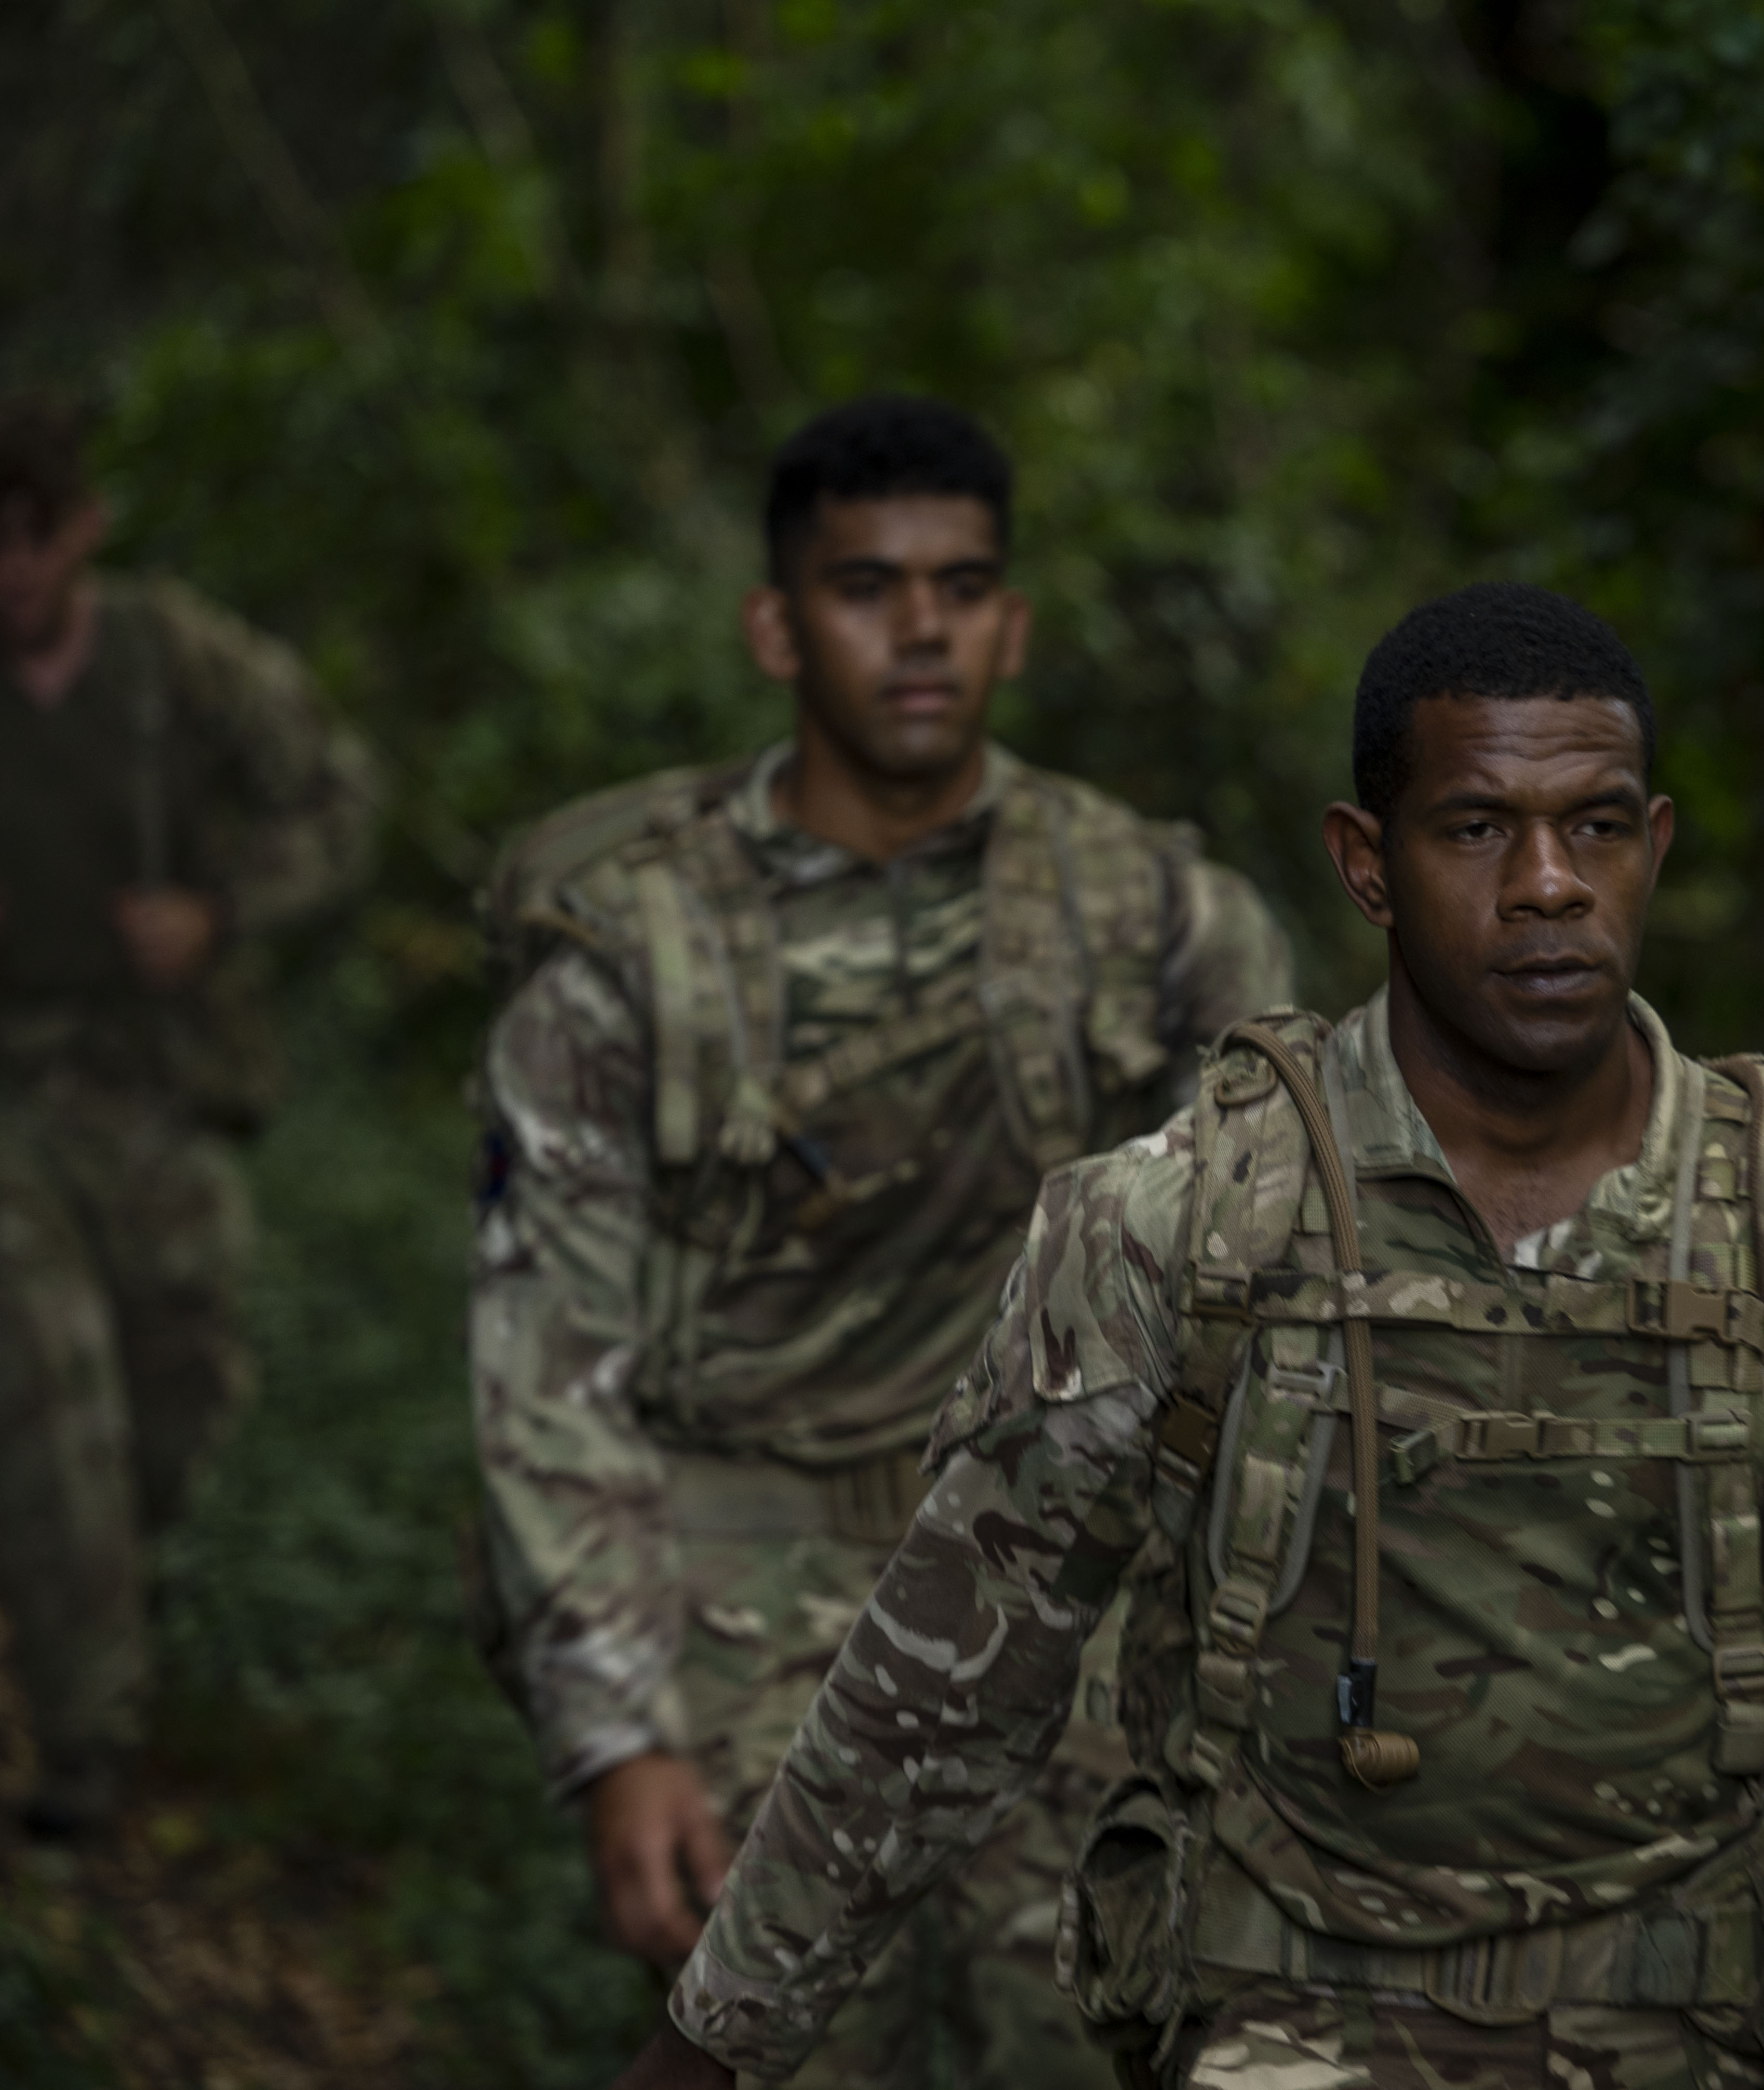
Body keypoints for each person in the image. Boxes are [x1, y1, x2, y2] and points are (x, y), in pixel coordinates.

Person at [610, 581, 1764, 2090]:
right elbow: (947, 1683)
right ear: (1368, 866)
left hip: (1700, 2031)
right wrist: (717, 2044)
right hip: (1283, 2022)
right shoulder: (1182, 1233)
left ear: (1658, 847)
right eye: (1479, 828)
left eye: (1600, 825)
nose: (1551, 884)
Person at [471, 395, 1293, 2090]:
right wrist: (618, 1737)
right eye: (867, 586)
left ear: (1014, 620)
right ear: (778, 625)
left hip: (1062, 1588)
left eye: (961, 585)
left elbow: (1291, 1283)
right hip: (736, 1598)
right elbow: (550, 1367)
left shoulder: (1154, 916)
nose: (921, 630)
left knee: (1081, 2039)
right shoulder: (635, 944)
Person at [0, 393, 375, 1832]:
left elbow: (338, 796)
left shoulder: (176, 661)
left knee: (180, 1394)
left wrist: (221, 912)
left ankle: (87, 1598)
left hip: (153, 1082)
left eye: (36, 538)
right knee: (48, 1393)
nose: (11, 572)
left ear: (86, 529)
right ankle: (85, 1751)